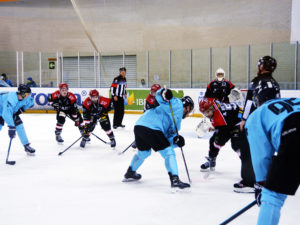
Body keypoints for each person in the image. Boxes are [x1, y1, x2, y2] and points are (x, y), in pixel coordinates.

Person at [245, 88, 300, 224]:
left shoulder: (258, 113)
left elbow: (261, 153)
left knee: (272, 196)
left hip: (294, 134)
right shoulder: (295, 100)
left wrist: (262, 184)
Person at [123, 88, 194, 190]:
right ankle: (175, 180)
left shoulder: (176, 122)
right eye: (189, 111)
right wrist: (164, 92)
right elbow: (161, 97)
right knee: (169, 153)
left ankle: (130, 172)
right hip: (153, 128)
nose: (188, 115)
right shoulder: (177, 104)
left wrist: (175, 141)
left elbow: (166, 138)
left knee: (144, 152)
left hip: (139, 126)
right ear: (187, 107)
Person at [199, 98, 255, 192]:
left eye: (208, 112)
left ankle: (250, 169)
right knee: (213, 140)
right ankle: (212, 159)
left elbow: (221, 139)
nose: (207, 115)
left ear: (212, 108)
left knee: (236, 145)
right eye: (205, 113)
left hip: (239, 122)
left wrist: (217, 131)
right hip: (231, 121)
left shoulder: (219, 117)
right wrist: (216, 129)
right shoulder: (214, 104)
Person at [240, 56, 280, 132]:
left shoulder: (256, 81)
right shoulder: (275, 83)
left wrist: (244, 119)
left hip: (261, 118)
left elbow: (249, 102)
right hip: (275, 119)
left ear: (261, 67)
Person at [0, 84, 36, 155]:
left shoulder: (26, 98)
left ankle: (26, 145)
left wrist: (21, 110)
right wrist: (11, 127)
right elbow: (6, 114)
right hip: (1, 109)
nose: (29, 95)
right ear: (22, 93)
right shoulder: (11, 99)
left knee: (19, 125)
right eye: (27, 94)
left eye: (29, 94)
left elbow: (31, 102)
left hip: (11, 110)